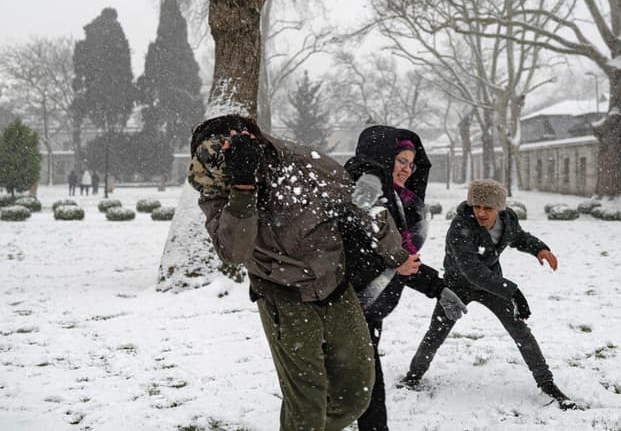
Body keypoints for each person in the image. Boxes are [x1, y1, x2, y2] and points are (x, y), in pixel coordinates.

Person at [189, 114, 420, 430]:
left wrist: (395, 254)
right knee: (307, 407)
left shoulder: (304, 165)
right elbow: (234, 252)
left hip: (336, 288)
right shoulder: (216, 177)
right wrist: (242, 189)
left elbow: (365, 207)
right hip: (284, 298)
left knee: (355, 394)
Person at [399, 179, 576, 410]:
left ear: (499, 208)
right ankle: (413, 376)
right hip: (457, 287)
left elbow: (519, 237)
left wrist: (540, 249)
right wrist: (513, 291)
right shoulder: (460, 228)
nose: (481, 212)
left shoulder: (508, 219)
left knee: (520, 331)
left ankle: (547, 384)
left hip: (492, 284)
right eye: (476, 206)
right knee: (436, 333)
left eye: (488, 208)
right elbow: (472, 272)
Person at [344, 125, 467, 431]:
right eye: (401, 161)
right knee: (360, 381)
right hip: (343, 305)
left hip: (367, 309)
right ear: (382, 159)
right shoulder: (360, 197)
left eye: (412, 164)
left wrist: (437, 287)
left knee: (359, 381)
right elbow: (348, 255)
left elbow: (403, 262)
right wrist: (394, 262)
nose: (407, 170)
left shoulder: (398, 203)